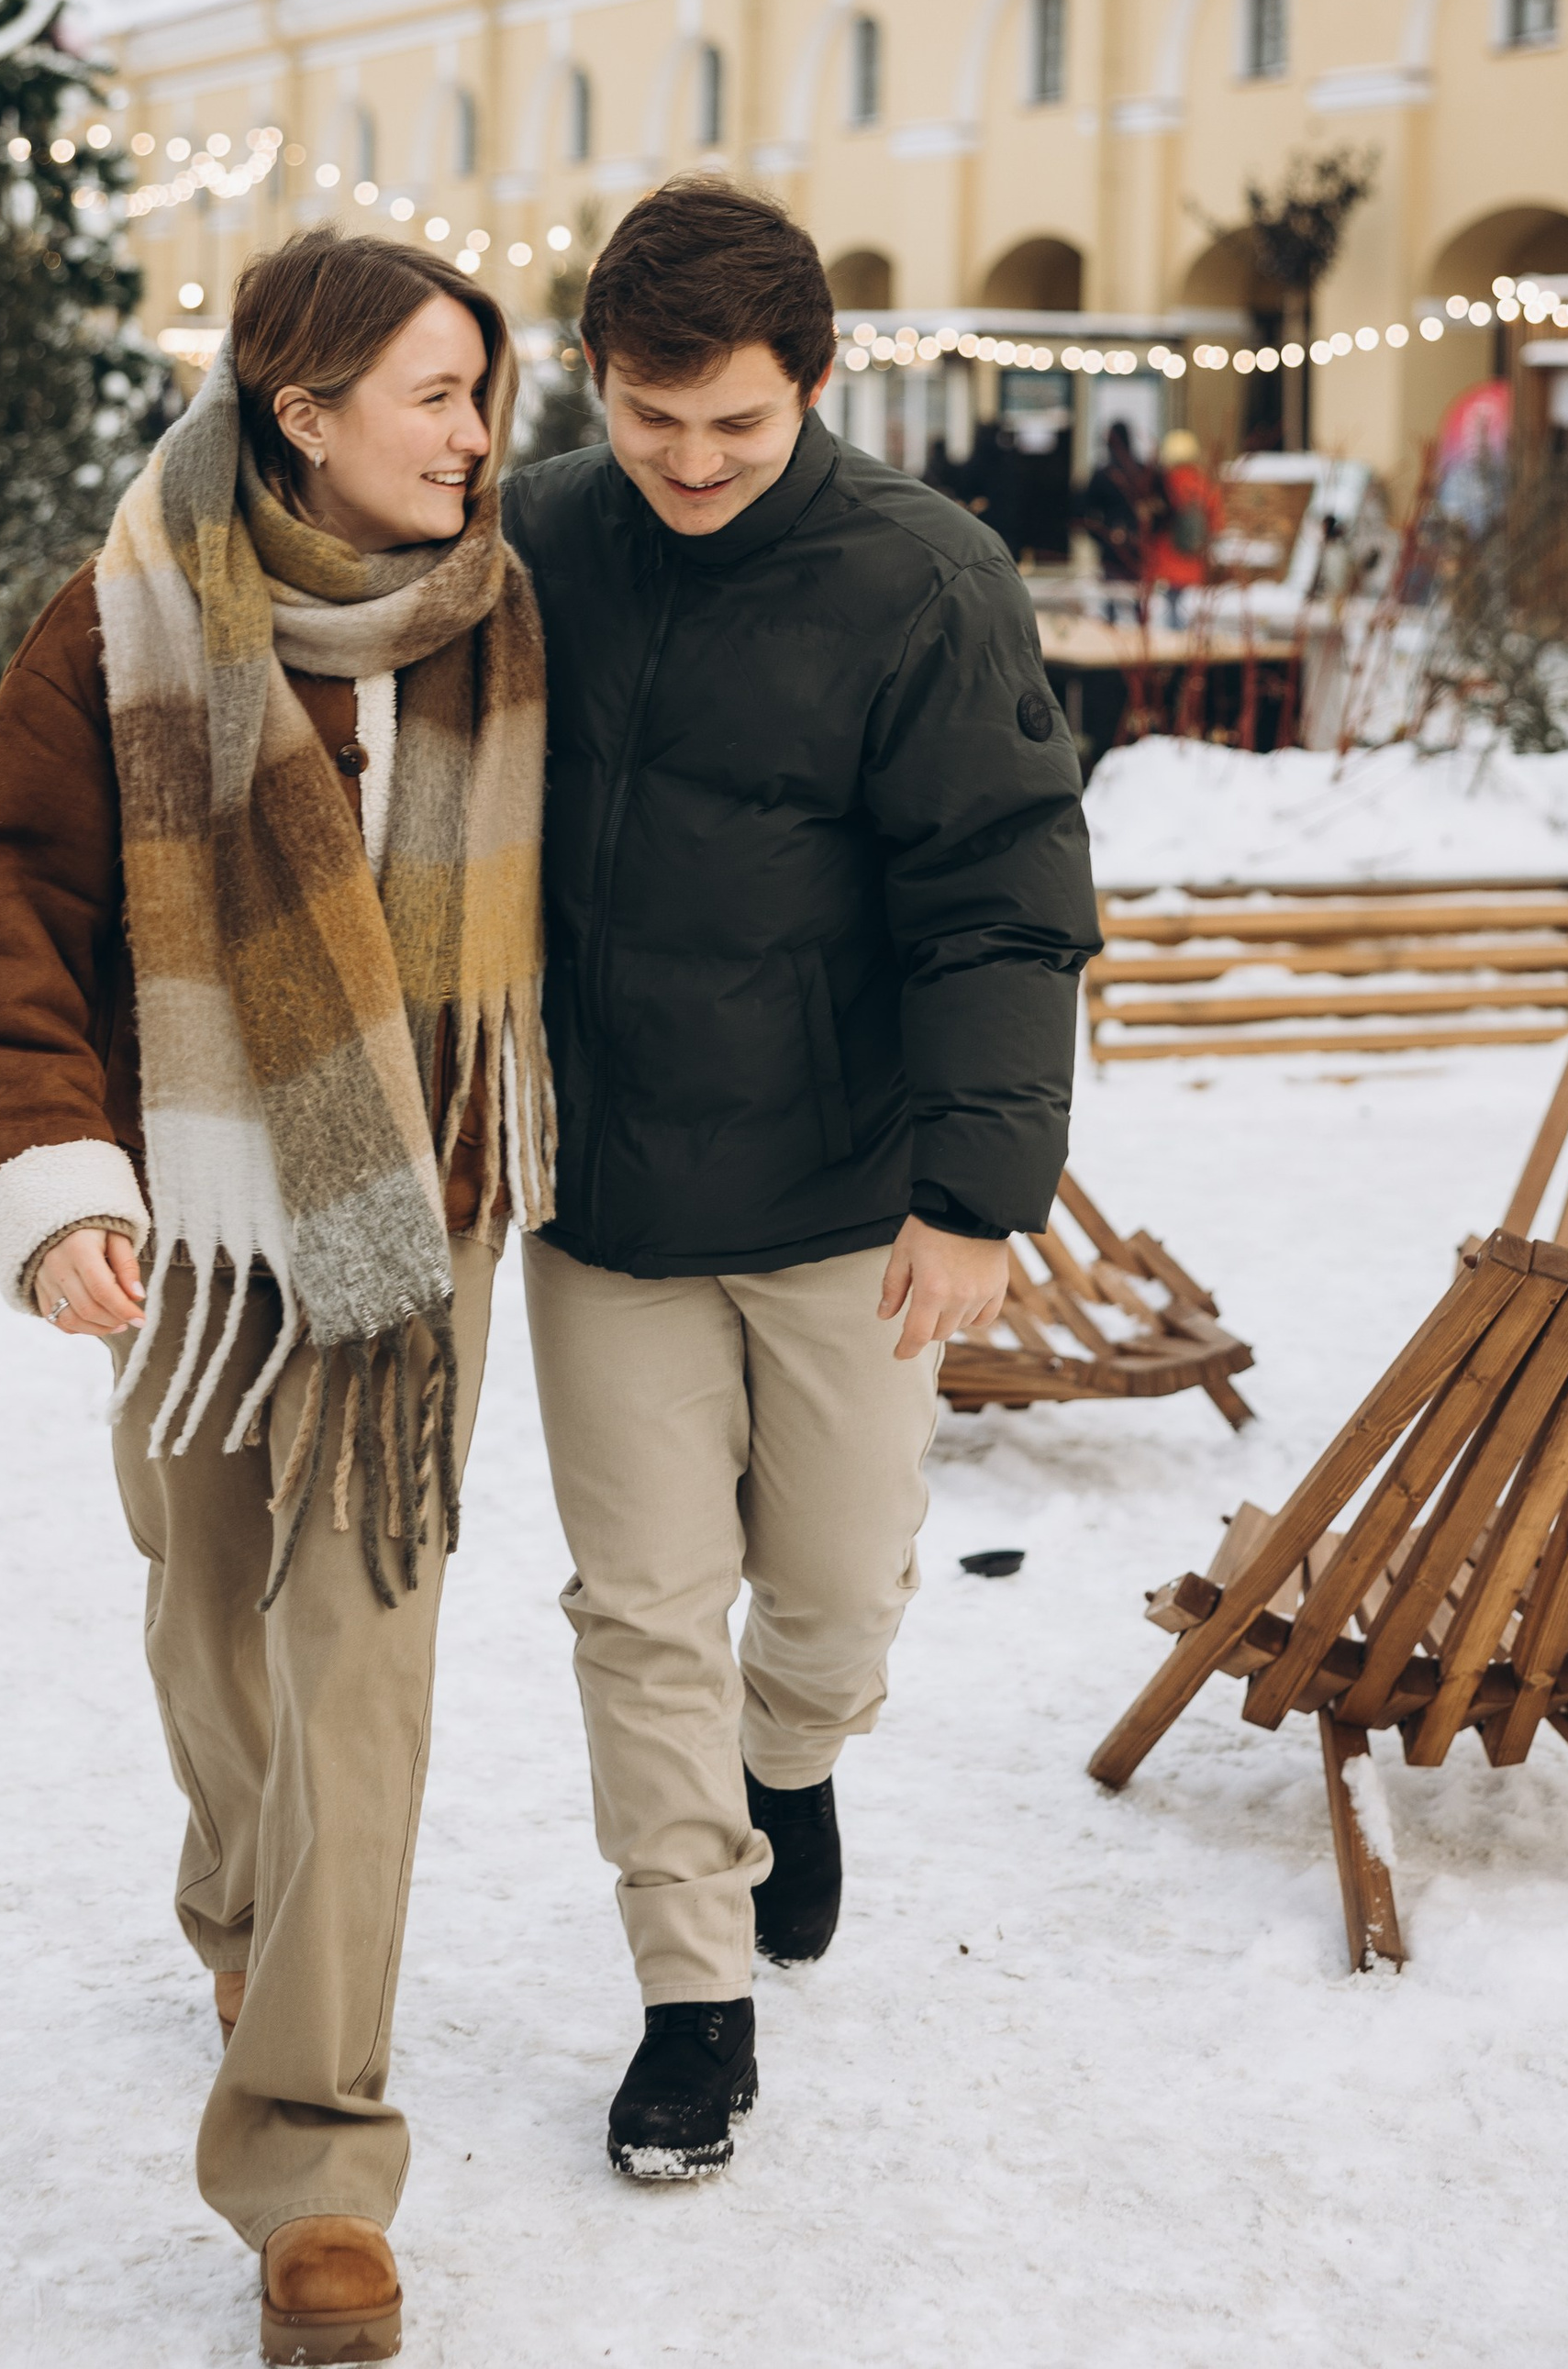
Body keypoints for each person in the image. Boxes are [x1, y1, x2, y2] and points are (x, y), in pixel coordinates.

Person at [0, 232, 552, 2369]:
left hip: (415, 1220)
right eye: (435, 393)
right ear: (304, 412)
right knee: (213, 1618)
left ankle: (311, 2163)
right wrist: (54, 1172)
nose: (479, 434)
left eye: (483, 390)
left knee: (357, 1661)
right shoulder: (117, 618)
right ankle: (233, 1897)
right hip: (188, 1228)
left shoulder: (498, 620)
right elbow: (7, 897)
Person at [500, 178, 1098, 2184]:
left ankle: (795, 1756)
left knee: (831, 1586)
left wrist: (979, 1190)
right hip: (603, 1198)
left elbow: (1000, 901)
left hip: (851, 1195)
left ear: (816, 387)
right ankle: (689, 1996)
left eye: (733, 428)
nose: (684, 465)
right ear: (594, 381)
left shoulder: (918, 578)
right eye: (646, 422)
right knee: (639, 1608)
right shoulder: (527, 540)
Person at [1148, 424, 1224, 627]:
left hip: (1166, 558)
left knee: (1168, 609)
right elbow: (1217, 524)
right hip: (1194, 561)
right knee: (1186, 610)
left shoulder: (1164, 484)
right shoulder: (1204, 484)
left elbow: (1153, 520)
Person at [1076, 416, 1158, 595]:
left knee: (1111, 599)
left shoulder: (1103, 475)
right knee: (1137, 597)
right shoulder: (1141, 472)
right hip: (1135, 544)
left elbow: (1084, 511)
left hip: (1114, 546)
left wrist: (1103, 535)